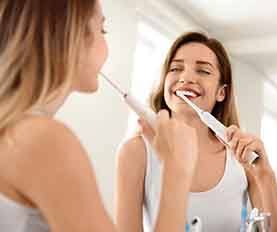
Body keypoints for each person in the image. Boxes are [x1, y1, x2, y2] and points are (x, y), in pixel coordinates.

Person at [0, 1, 198, 231]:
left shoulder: (17, 129)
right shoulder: (43, 139)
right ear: (70, 35)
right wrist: (178, 170)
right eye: (102, 30)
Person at [116, 32, 277, 232]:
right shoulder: (136, 152)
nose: (186, 77)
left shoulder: (240, 156)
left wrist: (264, 172)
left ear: (221, 92)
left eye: (203, 71)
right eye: (175, 68)